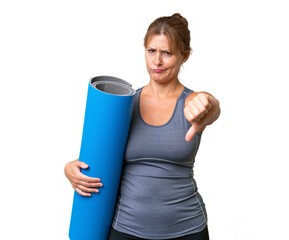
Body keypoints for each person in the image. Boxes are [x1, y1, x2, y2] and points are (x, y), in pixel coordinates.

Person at [64, 13, 221, 240]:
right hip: (126, 228)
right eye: (151, 51)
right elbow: (99, 155)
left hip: (187, 229)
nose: (156, 61)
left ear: (184, 55)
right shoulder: (124, 105)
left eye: (166, 53)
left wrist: (209, 102)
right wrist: (70, 169)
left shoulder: (192, 103)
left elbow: (211, 108)